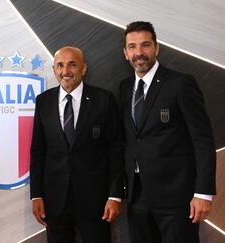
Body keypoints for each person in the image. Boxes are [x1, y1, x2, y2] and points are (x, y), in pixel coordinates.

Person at [119, 21, 216, 243]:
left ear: (156, 48)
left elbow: (203, 140)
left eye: (145, 45)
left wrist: (203, 193)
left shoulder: (181, 83)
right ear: (125, 53)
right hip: (137, 196)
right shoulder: (125, 88)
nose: (139, 53)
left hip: (177, 198)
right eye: (132, 47)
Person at [30, 46, 124, 243]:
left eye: (72, 64)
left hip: (96, 200)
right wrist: (36, 195)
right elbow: (38, 152)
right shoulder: (43, 101)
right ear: (54, 69)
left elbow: (115, 151)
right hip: (54, 201)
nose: (66, 71)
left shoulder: (104, 99)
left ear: (84, 68)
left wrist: (114, 196)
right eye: (60, 65)